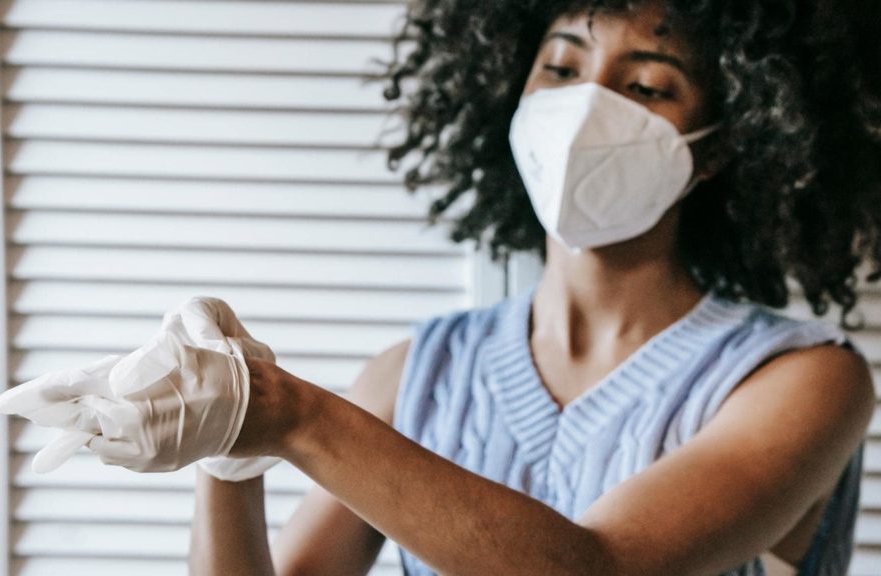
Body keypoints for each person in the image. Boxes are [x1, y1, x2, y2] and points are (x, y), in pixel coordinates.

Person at [192, 0, 881, 574]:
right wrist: (225, 448)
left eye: (645, 86)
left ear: (719, 146)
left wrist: (290, 414)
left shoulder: (805, 380)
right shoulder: (415, 376)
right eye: (560, 67)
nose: (587, 105)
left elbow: (597, 566)